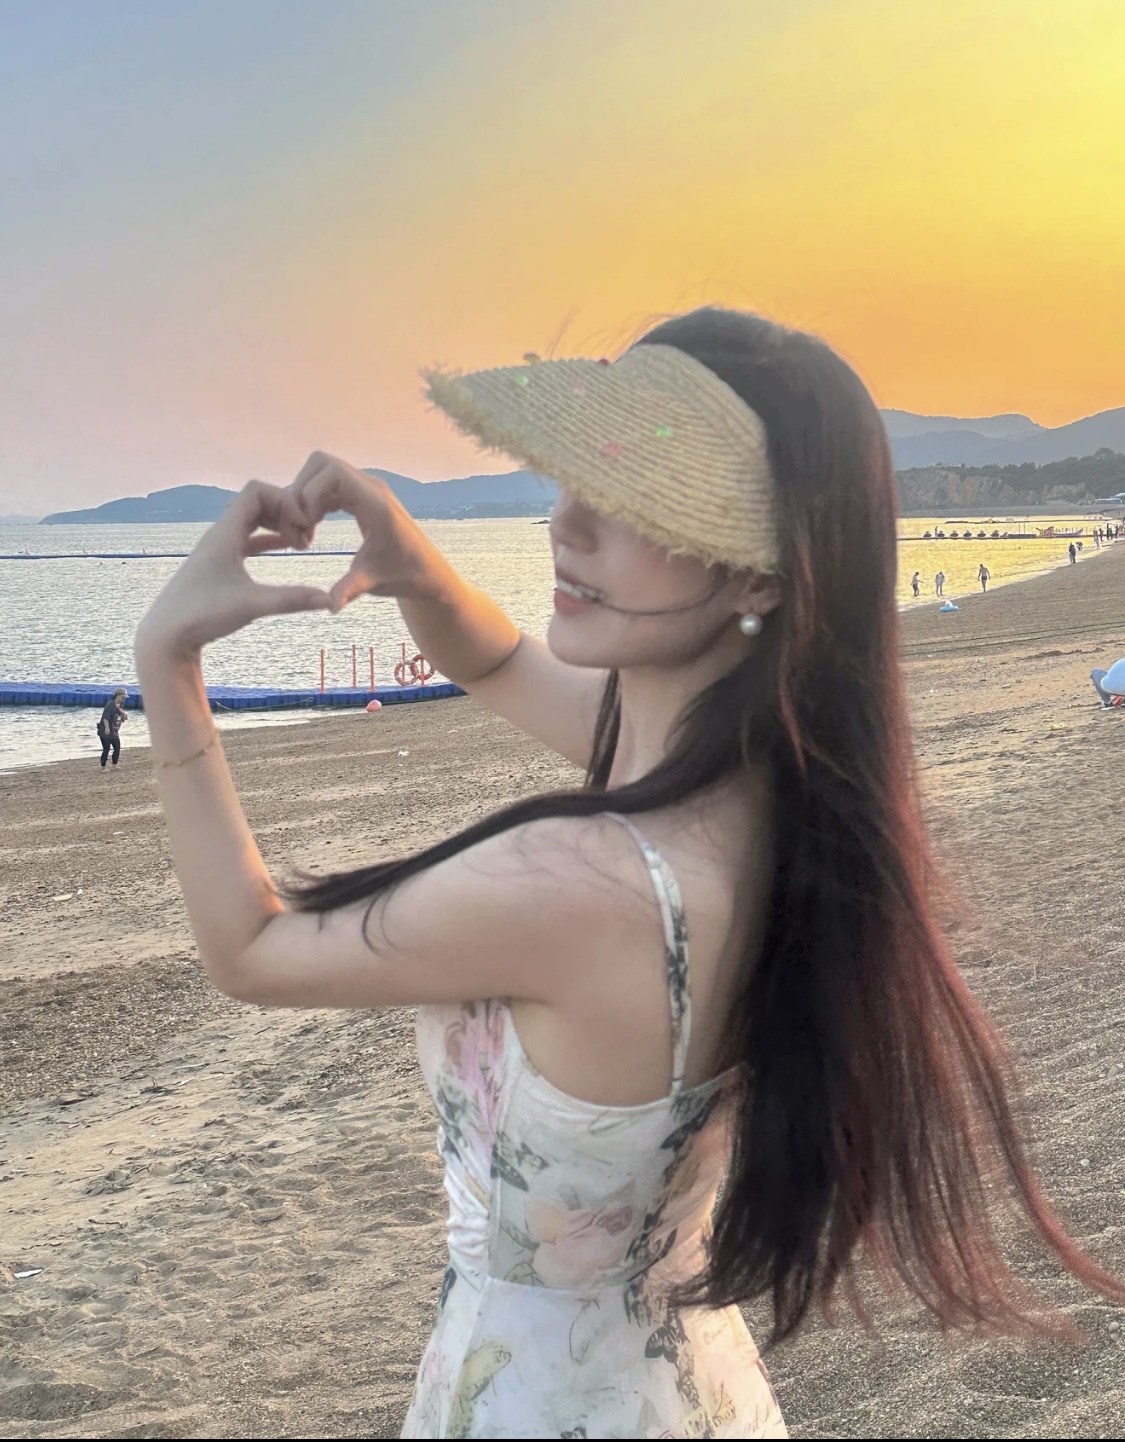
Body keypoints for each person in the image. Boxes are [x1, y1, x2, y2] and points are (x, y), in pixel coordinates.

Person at [134, 308, 1123, 1440]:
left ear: (759, 572)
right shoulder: (763, 787)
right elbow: (501, 659)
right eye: (579, 476)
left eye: (641, 501)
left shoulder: (583, 885)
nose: (567, 520)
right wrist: (406, 554)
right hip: (677, 1376)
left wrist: (168, 659)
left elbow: (251, 946)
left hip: (540, 1396)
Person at [97, 688, 128, 768]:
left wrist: (123, 715)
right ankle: (103, 767)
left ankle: (115, 765)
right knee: (106, 749)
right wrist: (107, 728)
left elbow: (122, 719)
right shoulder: (110, 704)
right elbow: (105, 718)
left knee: (117, 748)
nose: (124, 699)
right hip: (105, 730)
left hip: (114, 730)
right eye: (123, 697)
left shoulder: (121, 706)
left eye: (124, 698)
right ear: (118, 695)